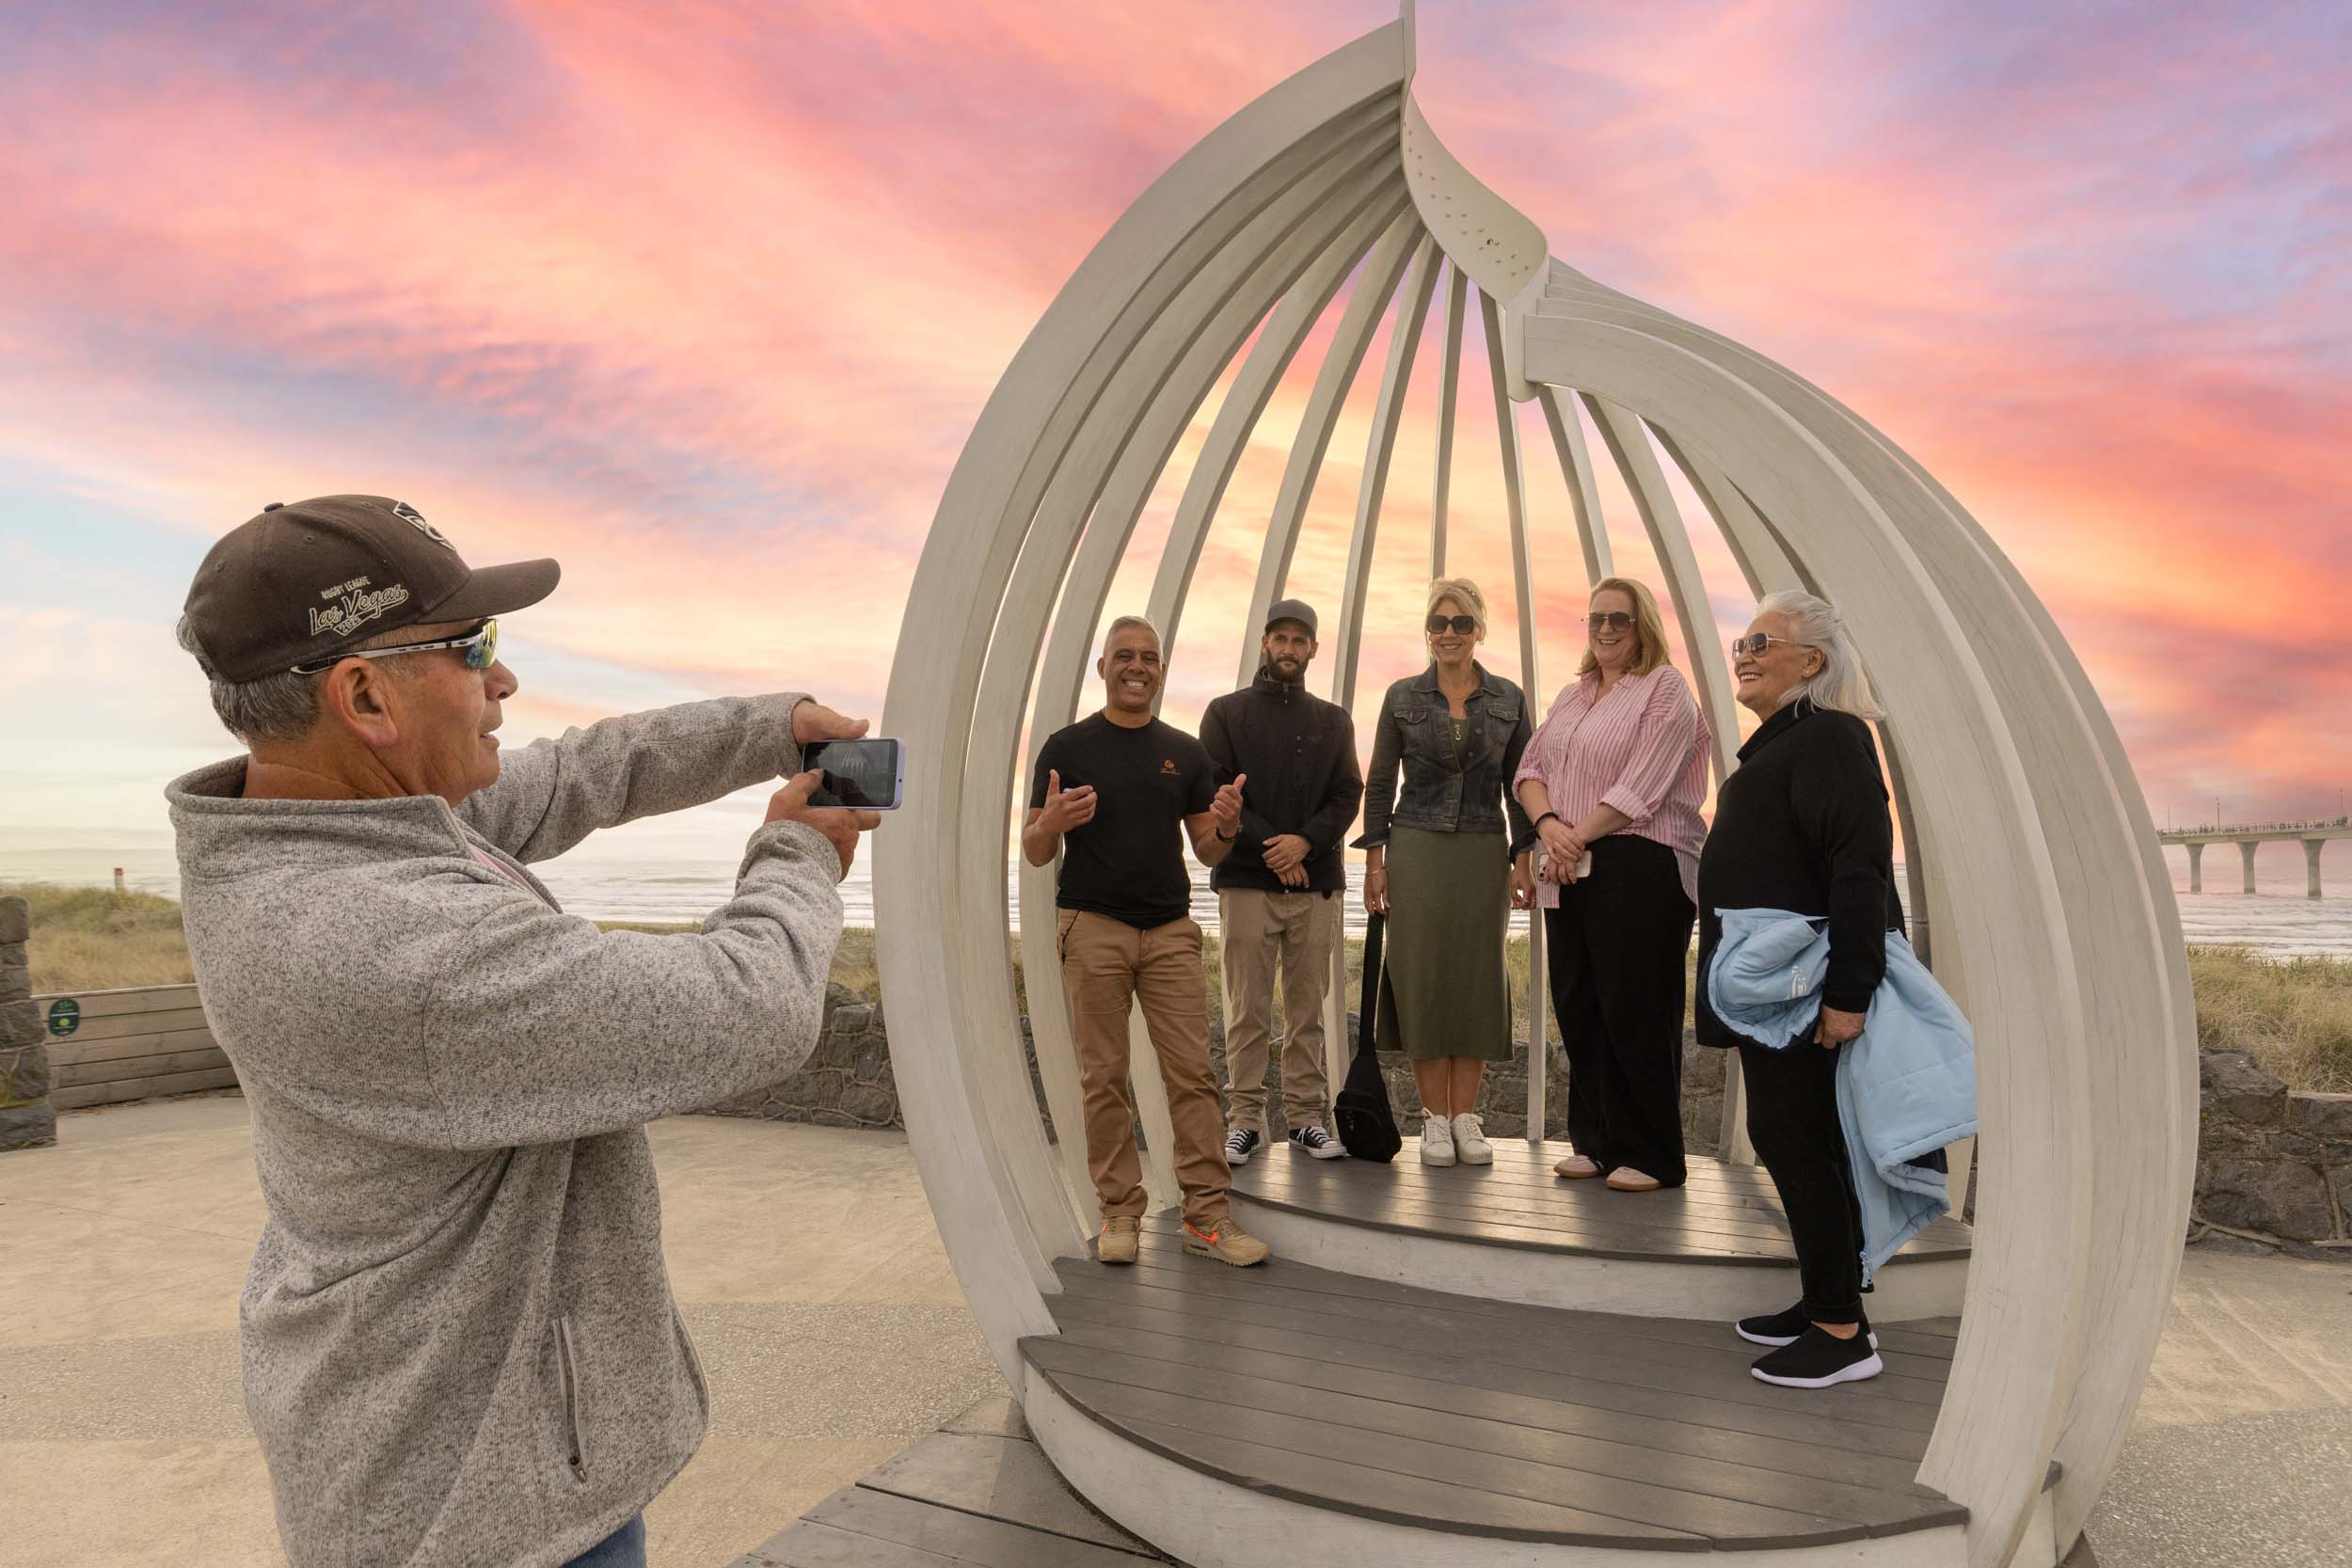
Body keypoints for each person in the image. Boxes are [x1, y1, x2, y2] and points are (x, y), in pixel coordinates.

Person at [165, 496, 879, 1568]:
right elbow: (746, 1006)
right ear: (363, 695)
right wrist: (798, 856)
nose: (501, 681)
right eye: (472, 648)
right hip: (475, 1504)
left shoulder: (335, 824)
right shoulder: (371, 935)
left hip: (464, 1450)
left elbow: (573, 772)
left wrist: (771, 728)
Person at [1696, 589, 1903, 1388]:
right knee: (1793, 1142)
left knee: (1805, 1146)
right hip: (1774, 991)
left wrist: (1850, 993)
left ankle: (1843, 1332)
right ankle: (1827, 1299)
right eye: (1740, 641)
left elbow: (1859, 867)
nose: (1742, 653)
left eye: (1761, 641)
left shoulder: (1831, 737)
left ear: (1811, 662)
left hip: (1806, 992)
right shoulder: (1787, 740)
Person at [1023, 615, 1267, 1268]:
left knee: (1193, 1073)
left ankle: (1207, 1217)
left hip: (1168, 931)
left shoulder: (1186, 752)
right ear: (1102, 667)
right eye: (1124, 656)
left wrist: (1228, 825)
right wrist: (1048, 822)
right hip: (1092, 925)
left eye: (1149, 657)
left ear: (1161, 670)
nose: (1137, 666)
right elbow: (1035, 848)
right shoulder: (1065, 747)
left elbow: (1209, 848)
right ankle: (1119, 1213)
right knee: (1103, 1077)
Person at [1515, 578, 1709, 1192]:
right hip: (1569, 863)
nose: (1605, 629)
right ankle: (1596, 1142)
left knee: (1637, 1008)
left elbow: (1642, 785)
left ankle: (1651, 1154)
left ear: (1642, 624)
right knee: (1581, 1004)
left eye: (1618, 620)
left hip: (1641, 861)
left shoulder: (1665, 689)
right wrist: (1551, 827)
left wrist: (1573, 837)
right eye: (1595, 618)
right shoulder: (1574, 695)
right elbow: (1530, 770)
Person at [1356, 578, 1538, 1167]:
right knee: (1423, 979)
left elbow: (1522, 784)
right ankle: (1434, 1121)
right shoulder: (1401, 696)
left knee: (1476, 978)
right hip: (1416, 849)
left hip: (1485, 849)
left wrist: (1523, 858)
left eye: (1461, 623)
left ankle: (1466, 1118)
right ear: (1427, 630)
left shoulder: (1509, 698)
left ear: (1479, 628)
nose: (1449, 633)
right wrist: (1376, 863)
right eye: (1439, 622)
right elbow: (1380, 784)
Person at [1200, 597, 1364, 1164]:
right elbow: (1217, 792)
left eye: (1300, 640)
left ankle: (1304, 1119)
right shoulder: (1225, 713)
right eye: (1281, 638)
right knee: (1246, 1007)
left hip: (1315, 885)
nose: (1289, 649)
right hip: (1247, 881)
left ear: (1313, 649)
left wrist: (1306, 843)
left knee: (1307, 1009)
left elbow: (1349, 793)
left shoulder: (1334, 720)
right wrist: (1276, 848)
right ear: (1265, 644)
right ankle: (1244, 1119)